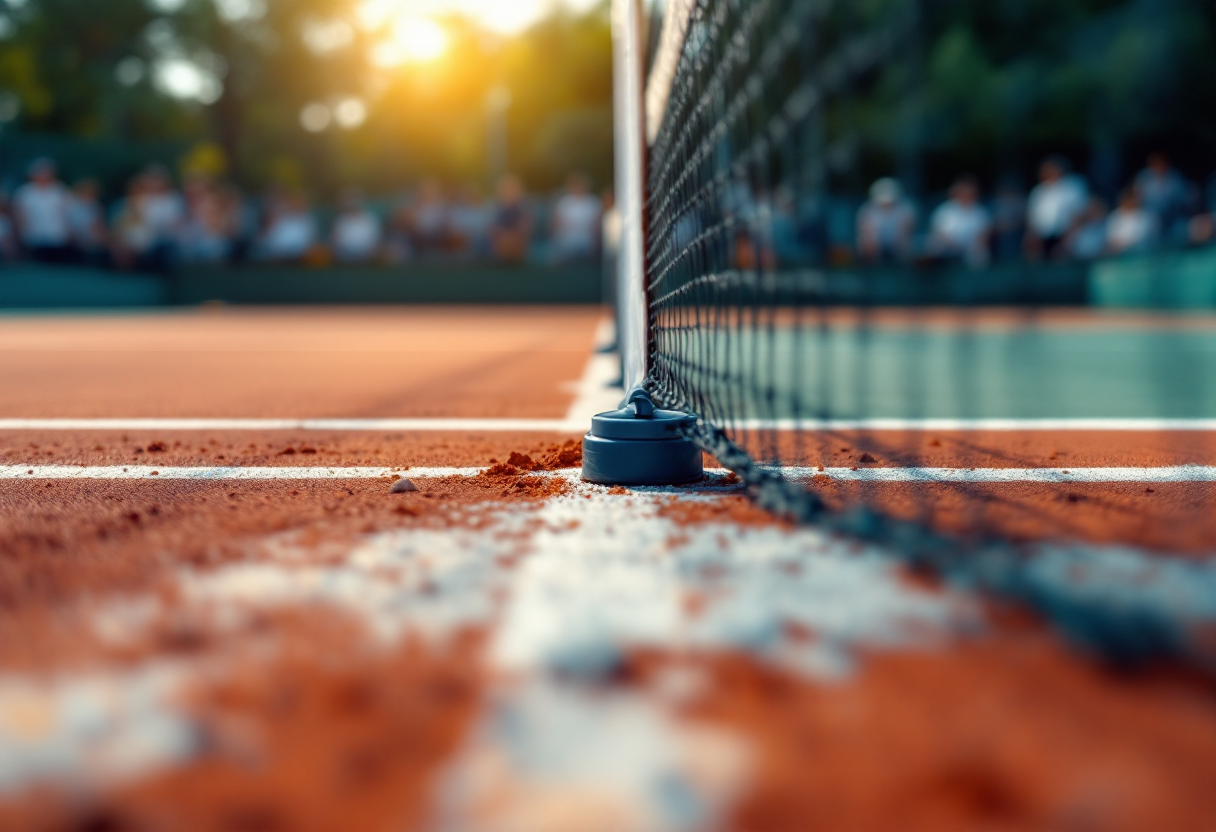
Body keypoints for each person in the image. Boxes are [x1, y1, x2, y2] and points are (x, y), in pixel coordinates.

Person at [1025, 157, 1087, 260]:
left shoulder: (1072, 187)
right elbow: (1032, 218)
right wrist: (1032, 239)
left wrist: (1067, 241)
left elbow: (1078, 215)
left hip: (1065, 237)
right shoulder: (1038, 191)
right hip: (1042, 238)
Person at [12, 158, 73, 263]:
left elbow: (68, 212)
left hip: (56, 234)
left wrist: (69, 230)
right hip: (33, 234)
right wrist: (21, 231)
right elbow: (19, 214)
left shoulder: (60, 191)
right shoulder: (24, 192)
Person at [927, 176, 992, 268]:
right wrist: (955, 247)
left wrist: (972, 247)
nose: (966, 194)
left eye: (970, 191)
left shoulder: (980, 211)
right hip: (948, 247)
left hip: (972, 248)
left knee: (980, 255)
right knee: (933, 246)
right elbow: (940, 233)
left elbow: (984, 234)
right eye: (963, 191)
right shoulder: (945, 209)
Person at [856, 178, 915, 264]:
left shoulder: (905, 209)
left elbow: (905, 233)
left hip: (897, 248)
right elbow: (867, 234)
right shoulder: (867, 210)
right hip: (875, 249)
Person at [1134, 153, 1192, 240]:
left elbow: (1183, 199)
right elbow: (1137, 199)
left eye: (1161, 163)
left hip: (1173, 217)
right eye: (1155, 164)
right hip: (1151, 218)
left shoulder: (1175, 177)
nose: (1159, 166)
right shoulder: (1143, 178)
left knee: (1182, 230)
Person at [550, 173, 603, 263]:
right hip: (566, 244)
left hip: (587, 244)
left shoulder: (594, 202)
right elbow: (556, 225)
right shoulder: (564, 202)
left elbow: (597, 226)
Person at [256, 190, 317, 262]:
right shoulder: (281, 218)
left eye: (299, 201)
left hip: (300, 256)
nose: (296, 204)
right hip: (278, 255)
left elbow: (310, 241)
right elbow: (272, 239)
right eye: (293, 201)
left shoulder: (308, 220)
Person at [490, 175, 532, 264]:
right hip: (501, 244)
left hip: (518, 244)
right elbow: (494, 228)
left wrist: (513, 237)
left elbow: (525, 227)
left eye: (512, 189)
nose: (509, 192)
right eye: (507, 189)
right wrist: (505, 237)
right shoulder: (496, 209)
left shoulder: (524, 208)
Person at [331, 189, 382, 262]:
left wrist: (371, 249)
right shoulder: (340, 220)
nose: (352, 203)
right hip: (345, 254)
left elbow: (376, 238)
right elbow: (335, 240)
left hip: (367, 254)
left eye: (355, 200)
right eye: (350, 201)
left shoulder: (370, 218)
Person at [67, 179, 108, 265]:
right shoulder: (70, 205)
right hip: (72, 237)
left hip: (89, 239)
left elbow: (98, 226)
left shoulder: (96, 207)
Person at [1106, 188, 1157, 256]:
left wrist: (1122, 244)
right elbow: (1110, 238)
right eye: (1126, 198)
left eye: (1131, 199)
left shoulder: (1147, 217)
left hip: (1140, 253)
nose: (1128, 201)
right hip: (1118, 254)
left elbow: (1139, 239)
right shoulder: (1114, 216)